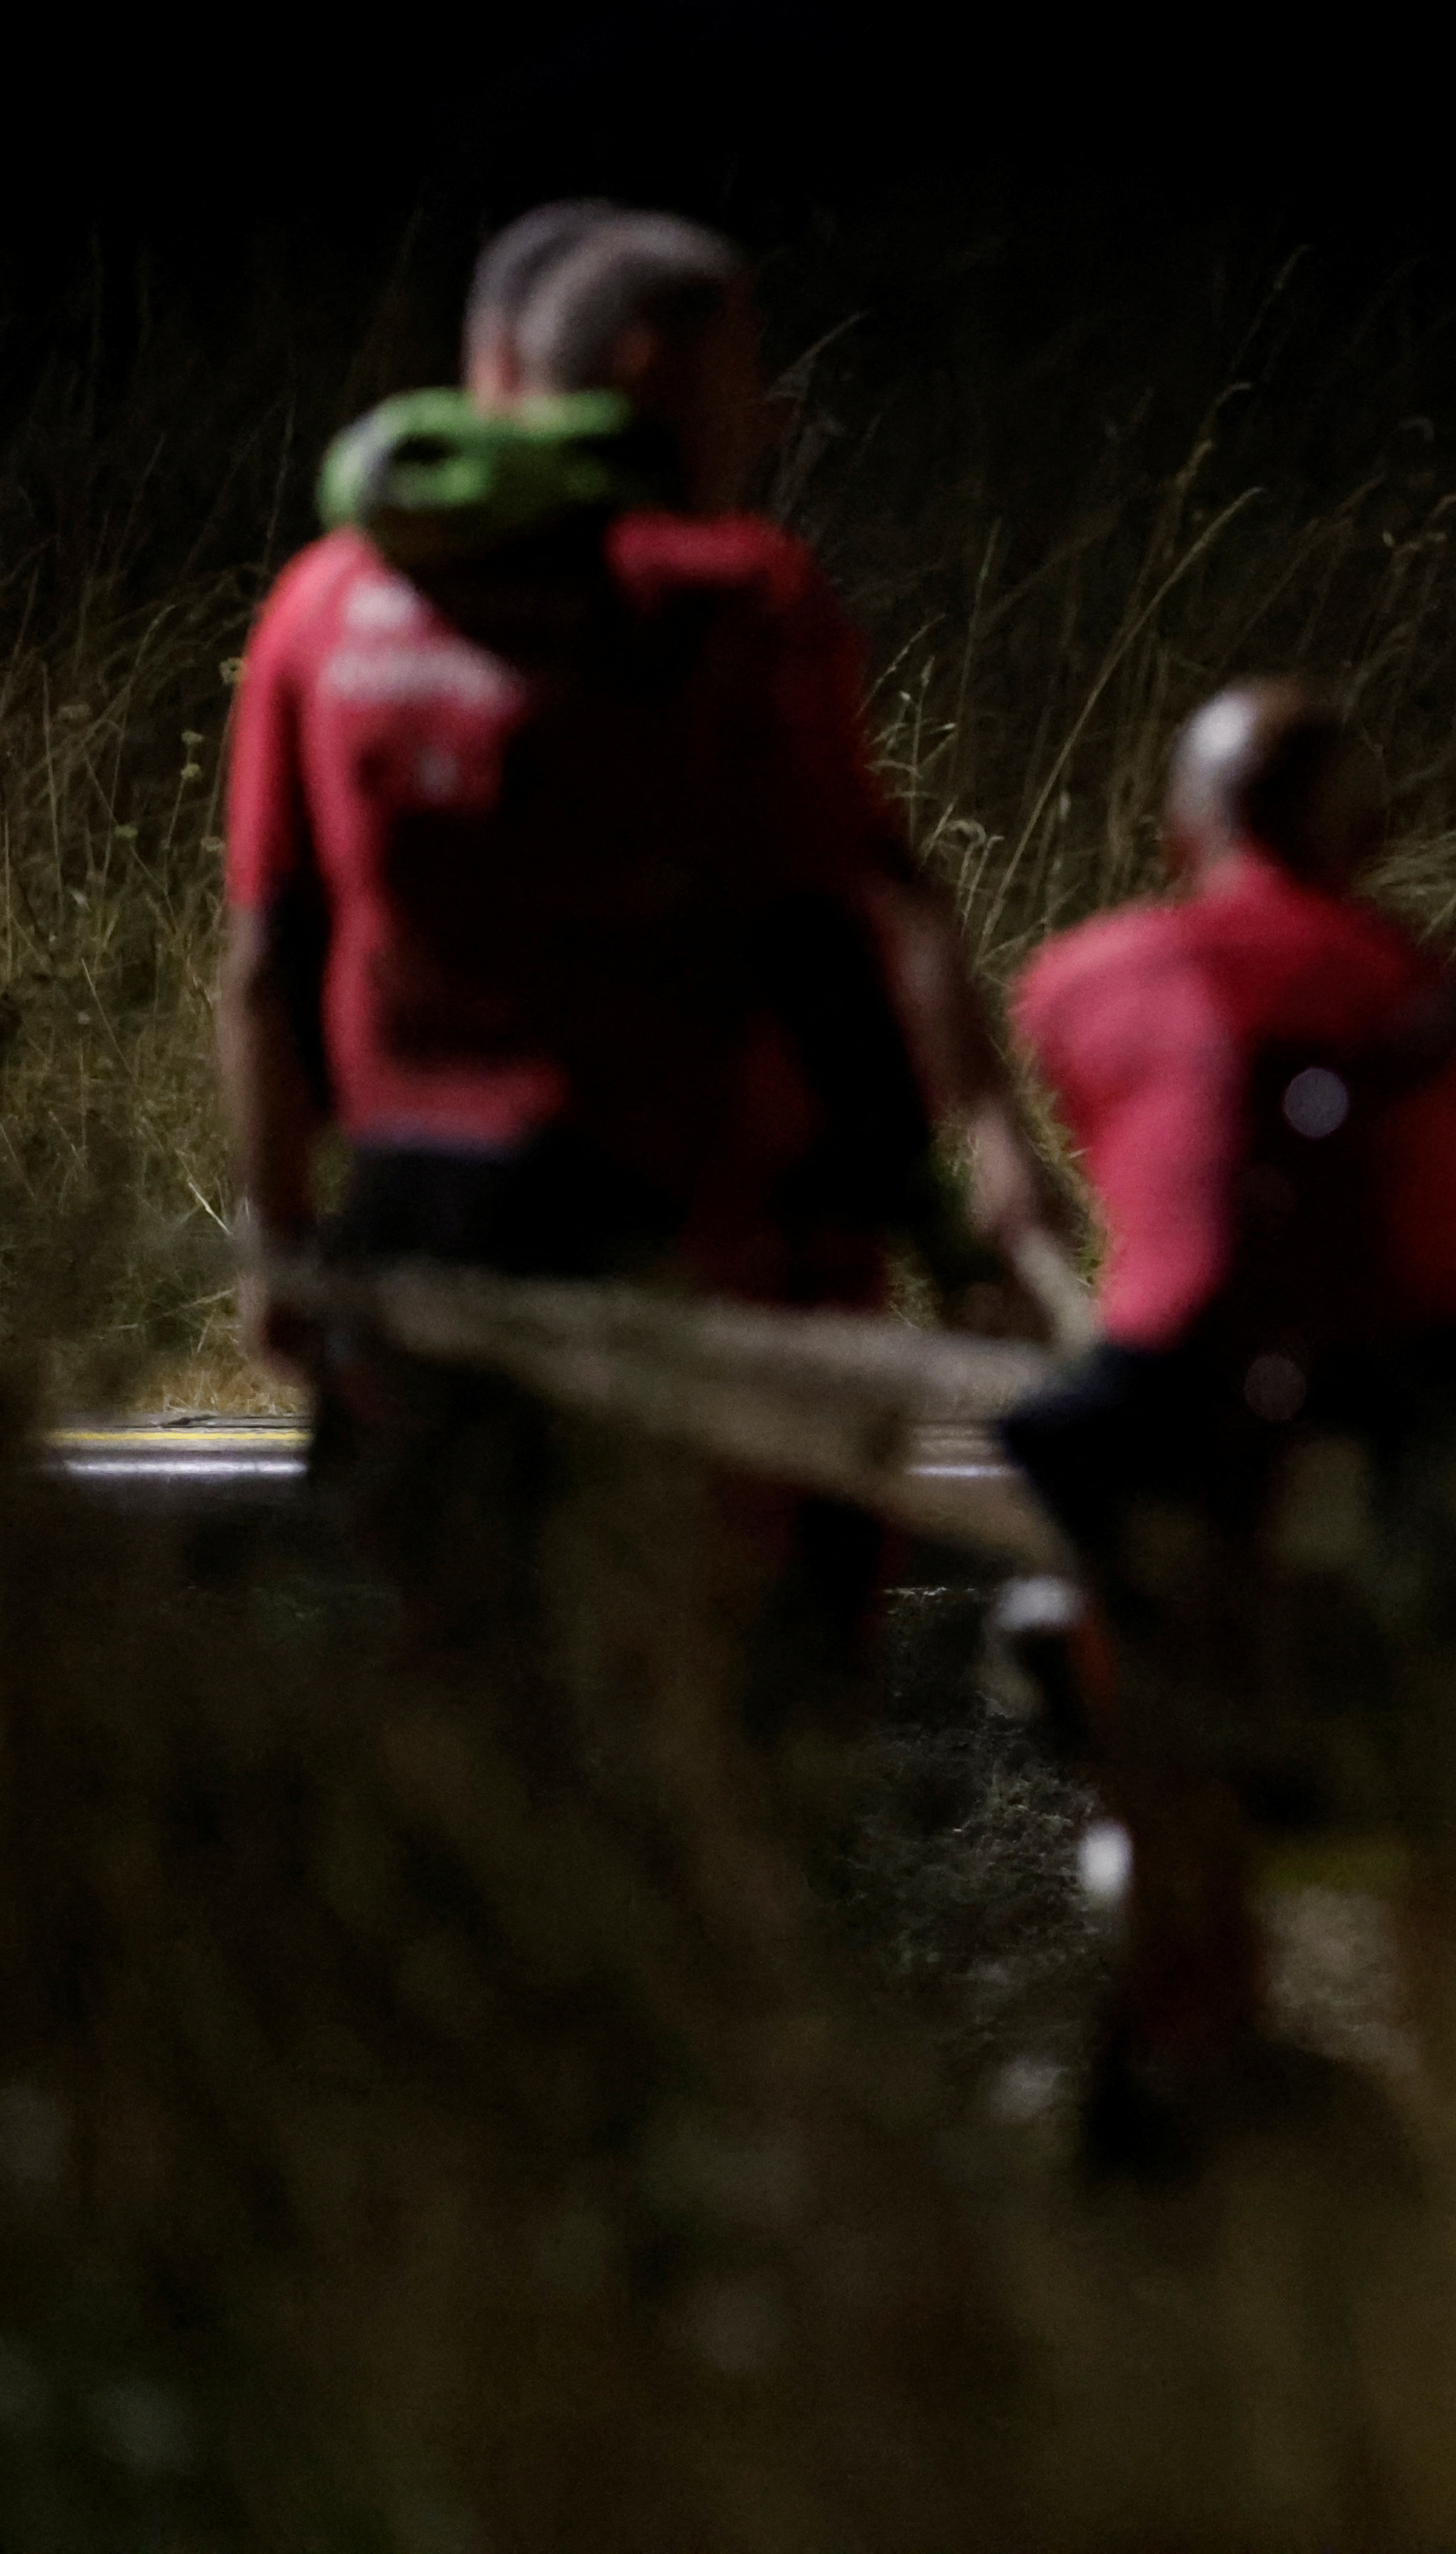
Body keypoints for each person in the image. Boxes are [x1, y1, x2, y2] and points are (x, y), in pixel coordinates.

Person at [217, 203, 1057, 1669]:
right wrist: (957, 1202)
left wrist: (279, 1235)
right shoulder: (725, 593)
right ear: (650, 372)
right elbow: (834, 934)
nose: (768, 424)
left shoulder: (326, 603)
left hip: (417, 1252)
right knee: (738, 1732)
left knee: (468, 1728)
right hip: (701, 1254)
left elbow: (266, 960)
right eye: (745, 387)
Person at [1003, 681, 1456, 2167]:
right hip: (1422, 1414)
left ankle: (1181, 1990)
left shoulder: (1079, 977)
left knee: (1118, 1615)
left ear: (1177, 828)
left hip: (1177, 1421)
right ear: (1373, 836)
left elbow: (1139, 1173)